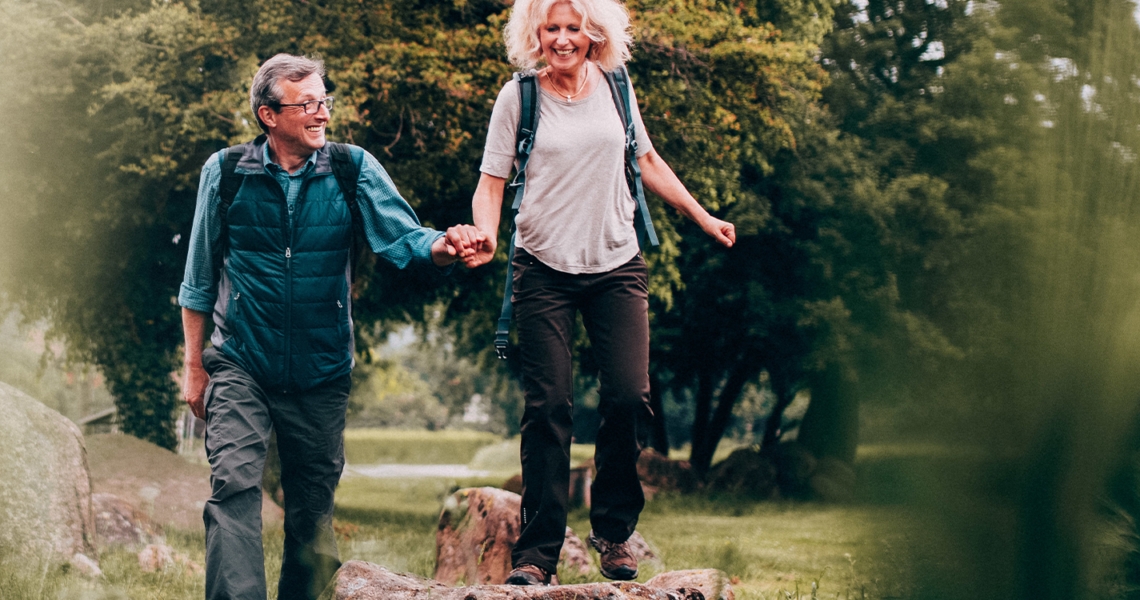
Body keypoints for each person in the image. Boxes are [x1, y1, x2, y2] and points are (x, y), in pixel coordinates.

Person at [177, 54, 482, 600]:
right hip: (242, 359)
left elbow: (403, 239)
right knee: (234, 488)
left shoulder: (350, 167)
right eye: (308, 104)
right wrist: (194, 366)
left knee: (313, 512)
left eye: (325, 101)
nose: (322, 114)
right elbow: (198, 279)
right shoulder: (224, 173)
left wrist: (447, 245)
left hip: (321, 368)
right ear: (269, 115)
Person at [457, 0, 736, 585]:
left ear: (594, 32)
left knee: (629, 397)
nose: (562, 39)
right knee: (549, 408)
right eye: (551, 27)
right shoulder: (519, 97)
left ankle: (613, 531)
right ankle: (536, 555)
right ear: (535, 33)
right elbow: (491, 182)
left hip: (616, 263)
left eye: (573, 27)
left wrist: (702, 216)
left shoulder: (616, 86)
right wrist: (484, 232)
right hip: (543, 270)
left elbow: (647, 158)